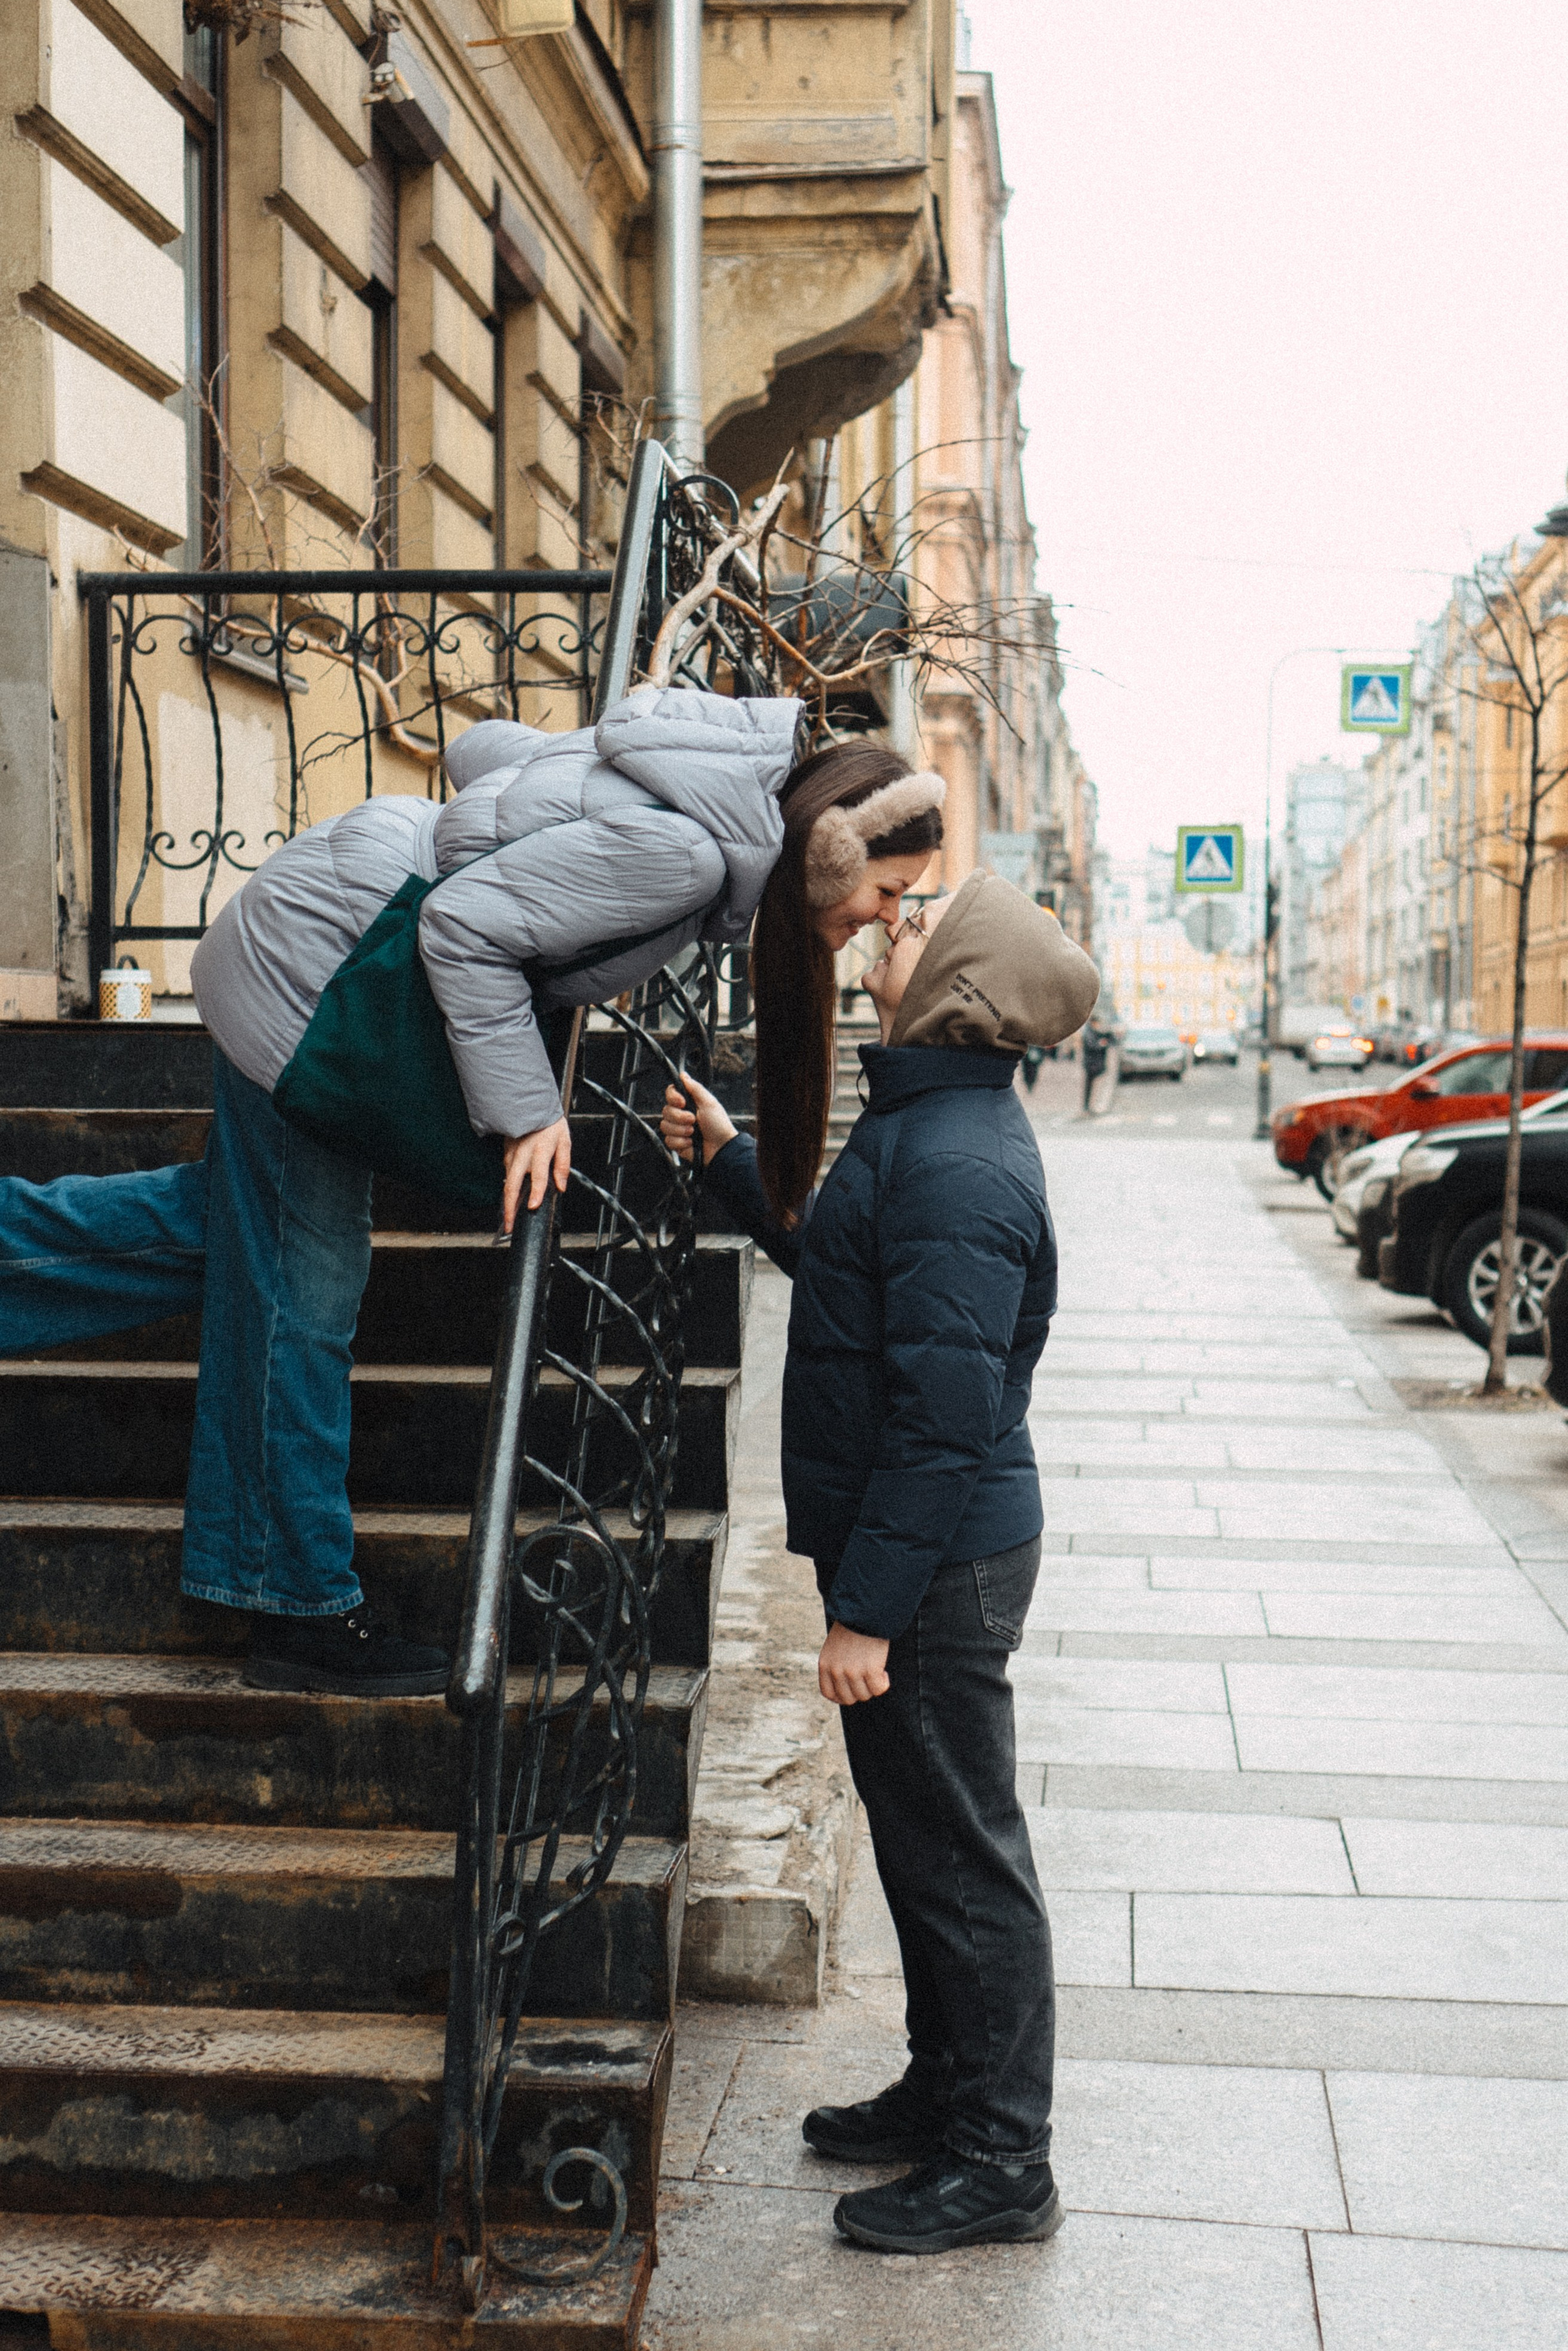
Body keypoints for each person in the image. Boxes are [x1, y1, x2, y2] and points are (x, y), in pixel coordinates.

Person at [0, 690, 944, 1700]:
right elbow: (460, 925)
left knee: (242, 1241)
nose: (887, 918)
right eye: (888, 892)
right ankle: (293, 1602)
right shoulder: (694, 853)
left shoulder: (694, 786)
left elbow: (481, 750)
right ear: (833, 853)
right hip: (319, 974)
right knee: (304, 1290)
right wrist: (532, 1112)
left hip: (321, 928)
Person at [662, 867, 1099, 2257]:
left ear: (957, 981)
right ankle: (943, 2086)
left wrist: (865, 1613)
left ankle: (1001, 2159)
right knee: (920, 1842)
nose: (887, 927)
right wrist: (737, 1157)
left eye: (916, 923)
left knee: (966, 1855)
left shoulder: (960, 1160)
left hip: (938, 1565)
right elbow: (847, 1264)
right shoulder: (922, 1117)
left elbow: (945, 1414)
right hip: (918, 1554)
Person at [1080, 1016, 1110, 1112]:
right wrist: (1101, 1044)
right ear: (1094, 1023)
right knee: (1090, 1086)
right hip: (1091, 1064)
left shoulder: (1090, 1031)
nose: (1099, 1025)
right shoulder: (1089, 1033)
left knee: (1090, 1085)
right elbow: (1091, 1045)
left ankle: (1088, 1106)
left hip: (1092, 1063)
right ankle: (1087, 1106)